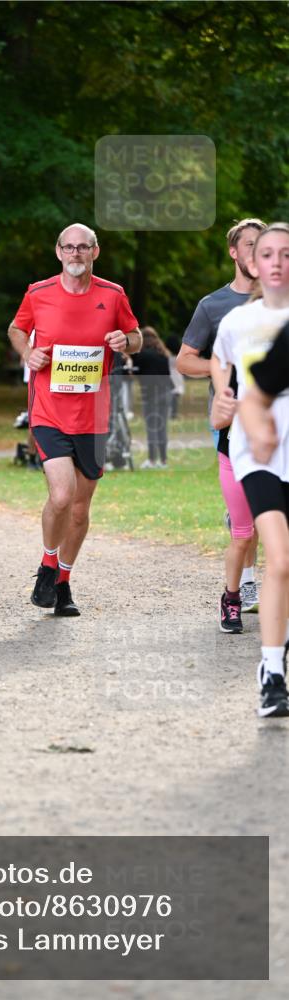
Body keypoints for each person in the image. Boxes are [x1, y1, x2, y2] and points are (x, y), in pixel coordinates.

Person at [8, 222, 142, 616]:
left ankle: (62, 583)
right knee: (62, 495)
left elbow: (133, 336)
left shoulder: (113, 294)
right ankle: (48, 565)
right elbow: (18, 329)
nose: (76, 254)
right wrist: (26, 353)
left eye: (83, 248)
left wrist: (125, 342)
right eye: (69, 248)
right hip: (49, 409)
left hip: (94, 416)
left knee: (81, 509)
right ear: (58, 252)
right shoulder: (39, 292)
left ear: (95, 252)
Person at [212, 223, 289, 717]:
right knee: (279, 560)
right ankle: (272, 671)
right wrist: (228, 404)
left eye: (287, 253)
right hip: (256, 455)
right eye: (268, 253)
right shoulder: (237, 322)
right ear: (253, 263)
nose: (278, 262)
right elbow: (225, 368)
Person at [178, 218, 266, 614]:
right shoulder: (212, 306)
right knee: (247, 519)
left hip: (273, 423)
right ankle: (244, 584)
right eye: (249, 245)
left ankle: (250, 583)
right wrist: (224, 371)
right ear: (234, 252)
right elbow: (184, 360)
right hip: (230, 426)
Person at [135, 326, 173, 469]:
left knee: (152, 427)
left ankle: (152, 460)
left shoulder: (142, 355)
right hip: (166, 392)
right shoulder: (163, 353)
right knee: (162, 427)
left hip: (151, 394)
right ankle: (163, 461)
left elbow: (136, 374)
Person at [165, 334, 185, 419]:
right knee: (174, 397)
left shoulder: (166, 357)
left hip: (169, 380)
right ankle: (173, 414)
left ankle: (172, 414)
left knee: (171, 397)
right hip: (176, 379)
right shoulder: (179, 357)